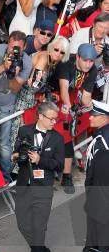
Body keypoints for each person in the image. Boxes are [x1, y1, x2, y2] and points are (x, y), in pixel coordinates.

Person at [13, 102, 65, 252]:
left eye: (55, 119)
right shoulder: (24, 131)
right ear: (40, 116)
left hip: (43, 187)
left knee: (38, 227)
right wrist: (16, 156)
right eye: (51, 119)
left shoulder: (57, 138)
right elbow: (17, 152)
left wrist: (40, 159)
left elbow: (58, 165)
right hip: (24, 185)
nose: (54, 122)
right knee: (22, 224)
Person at [9, 36, 70, 153]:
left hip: (31, 102)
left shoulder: (51, 62)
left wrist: (46, 93)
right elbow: (33, 85)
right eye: (56, 50)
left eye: (62, 52)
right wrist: (41, 95)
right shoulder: (43, 58)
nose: (58, 54)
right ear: (51, 48)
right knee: (18, 136)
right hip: (23, 101)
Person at [0, 31, 33, 179]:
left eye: (18, 49)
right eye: (12, 47)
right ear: (7, 44)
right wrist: (4, 67)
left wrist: (12, 73)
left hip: (6, 106)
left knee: (3, 144)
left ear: (24, 47)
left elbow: (15, 88)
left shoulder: (26, 62)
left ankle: (5, 178)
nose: (14, 51)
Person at [53, 43, 97, 193]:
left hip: (70, 101)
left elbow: (86, 97)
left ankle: (66, 176)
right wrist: (70, 109)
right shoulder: (67, 63)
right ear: (77, 57)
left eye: (91, 61)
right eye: (85, 60)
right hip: (53, 97)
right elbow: (63, 90)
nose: (88, 64)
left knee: (67, 137)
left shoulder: (93, 70)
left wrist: (95, 107)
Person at [75, 100, 109, 252]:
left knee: (97, 243)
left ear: (104, 118)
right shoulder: (101, 137)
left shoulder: (102, 142)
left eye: (94, 115)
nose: (90, 117)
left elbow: (98, 179)